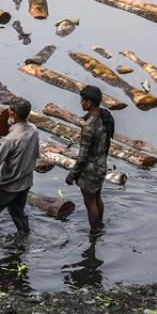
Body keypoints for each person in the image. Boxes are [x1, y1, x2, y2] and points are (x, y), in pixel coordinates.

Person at [0, 97, 39, 243]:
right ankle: (25, 238)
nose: (8, 112)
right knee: (17, 212)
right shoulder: (33, 129)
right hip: (26, 181)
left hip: (9, 184)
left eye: (10, 110)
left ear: (14, 114)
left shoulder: (10, 140)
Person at [65, 85, 114, 230]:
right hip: (101, 165)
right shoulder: (104, 116)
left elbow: (82, 158)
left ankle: (94, 233)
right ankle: (100, 226)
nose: (81, 103)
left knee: (90, 203)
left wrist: (71, 176)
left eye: (82, 100)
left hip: (90, 170)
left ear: (89, 102)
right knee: (97, 197)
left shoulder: (89, 127)